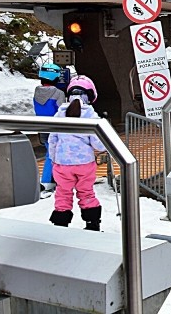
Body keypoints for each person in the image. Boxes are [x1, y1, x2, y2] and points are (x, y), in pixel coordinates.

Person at [48, 75, 106, 231]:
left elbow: (52, 139)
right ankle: (92, 223)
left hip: (62, 164)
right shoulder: (91, 116)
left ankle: (61, 223)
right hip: (84, 164)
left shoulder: (60, 113)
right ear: (90, 95)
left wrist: (54, 159)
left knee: (63, 193)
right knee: (86, 193)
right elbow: (99, 144)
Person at [34, 63, 66, 193]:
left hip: (42, 127)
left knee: (49, 152)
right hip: (56, 128)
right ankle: (47, 181)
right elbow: (63, 110)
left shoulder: (37, 91)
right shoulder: (58, 93)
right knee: (52, 155)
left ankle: (50, 180)